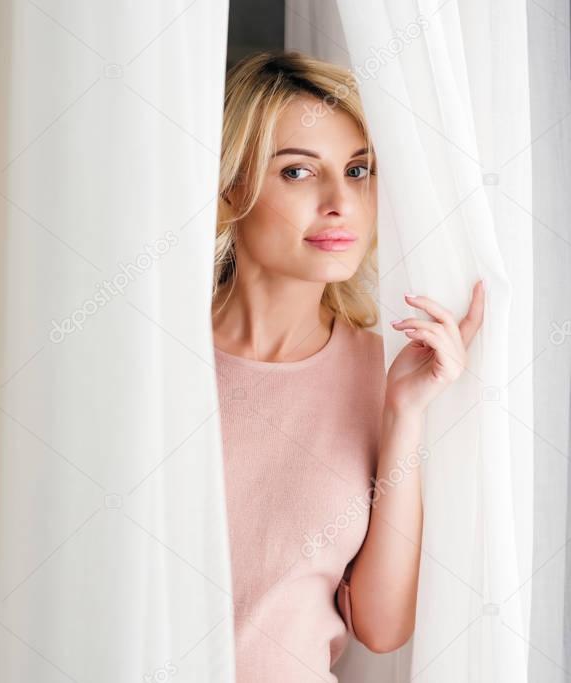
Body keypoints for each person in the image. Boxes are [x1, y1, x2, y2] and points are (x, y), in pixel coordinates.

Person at [211, 51, 485, 682]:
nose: (341, 202)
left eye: (359, 170)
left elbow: (381, 627)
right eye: (300, 172)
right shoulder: (159, 357)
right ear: (232, 188)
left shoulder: (381, 372)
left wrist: (404, 414)